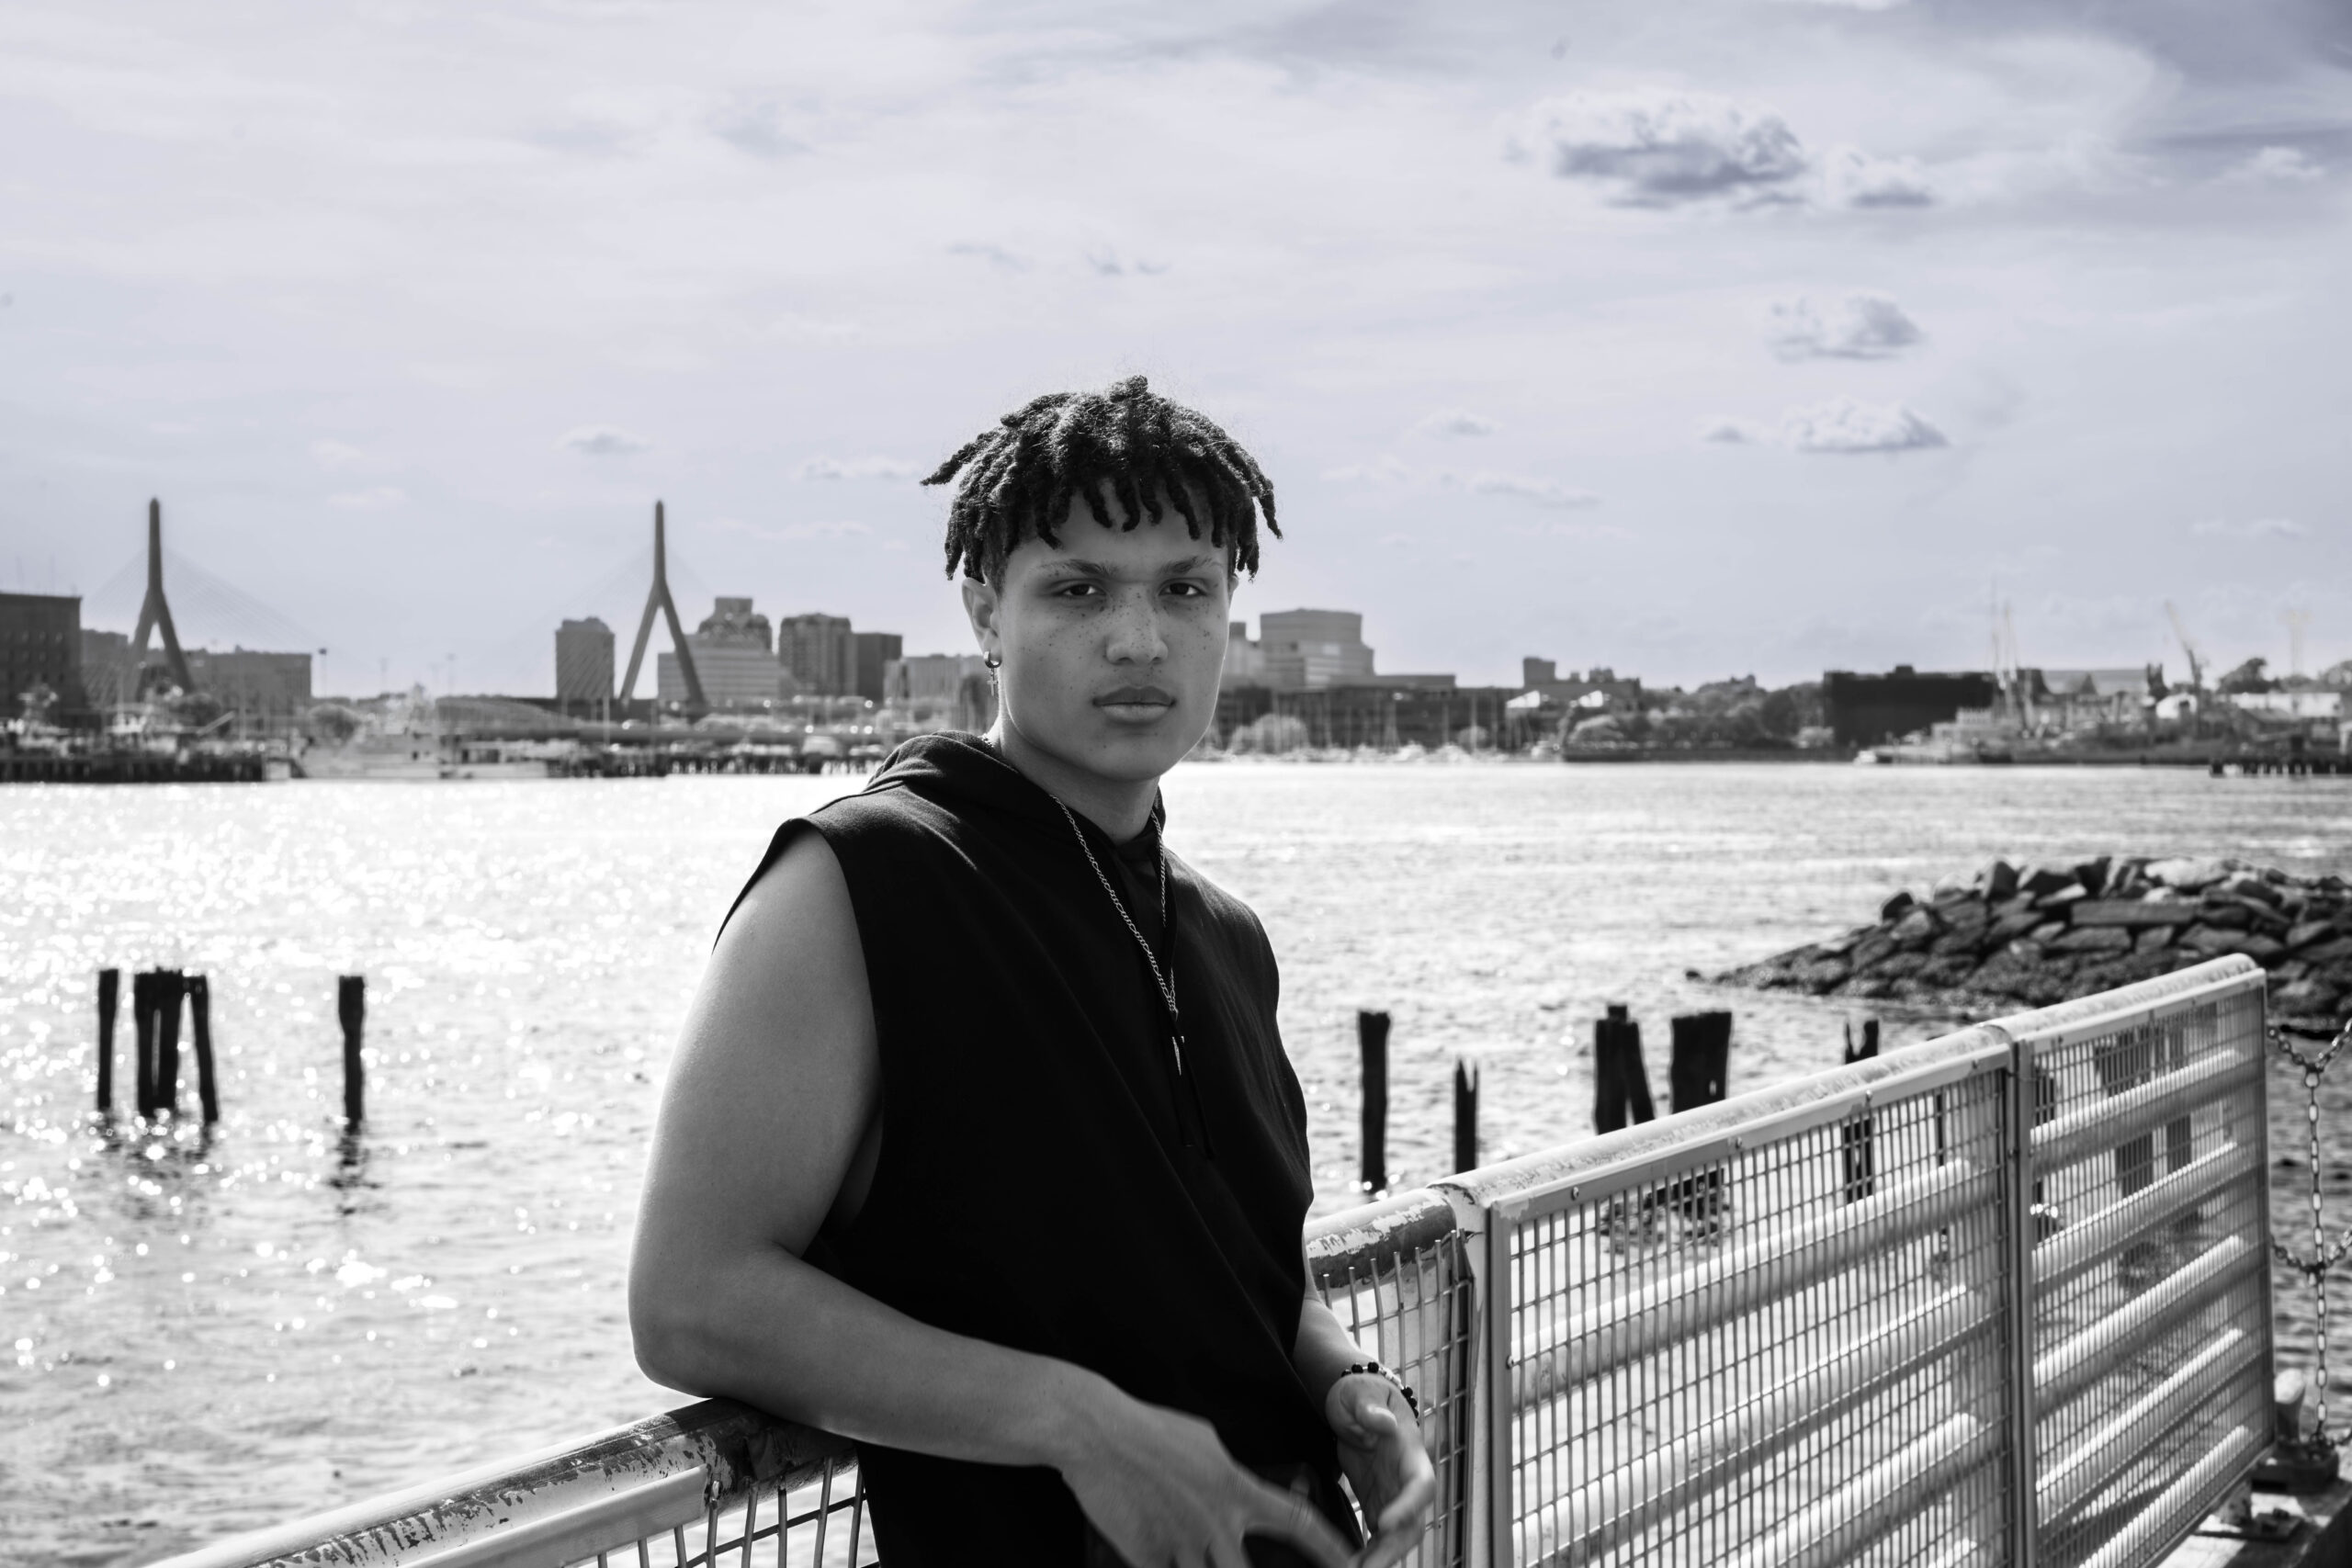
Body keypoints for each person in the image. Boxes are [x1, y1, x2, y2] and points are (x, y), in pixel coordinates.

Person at [628, 375, 1435, 1568]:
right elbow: (691, 1299)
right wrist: (1077, 1426)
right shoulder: (862, 880)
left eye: (1185, 589)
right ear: (984, 615)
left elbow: (1247, 1276)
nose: (1139, 638)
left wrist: (1348, 1382)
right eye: (1077, 588)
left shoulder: (1225, 934)